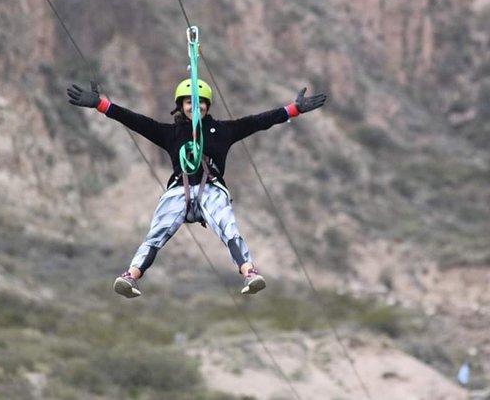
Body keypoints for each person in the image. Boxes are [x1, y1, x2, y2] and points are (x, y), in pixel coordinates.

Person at [66, 78, 326, 297]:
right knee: (158, 231)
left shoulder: (223, 130)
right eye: (190, 102)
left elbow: (258, 121)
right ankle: (131, 276)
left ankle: (249, 272)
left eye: (200, 102)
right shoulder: (170, 133)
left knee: (227, 226)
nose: (195, 106)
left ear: (207, 106)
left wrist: (294, 109)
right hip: (180, 189)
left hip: (211, 189)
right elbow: (135, 121)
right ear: (181, 106)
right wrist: (101, 105)